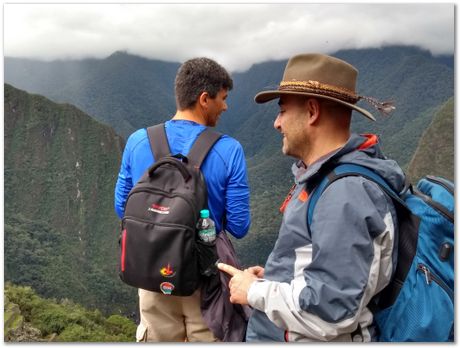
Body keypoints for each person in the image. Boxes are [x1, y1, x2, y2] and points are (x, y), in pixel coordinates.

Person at [218, 53, 405, 342]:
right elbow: (331, 271)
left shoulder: (345, 194)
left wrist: (253, 291)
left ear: (312, 111)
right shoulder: (328, 180)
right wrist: (275, 278)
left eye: (282, 111)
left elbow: (332, 311)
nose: (277, 124)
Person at [114, 57, 251, 342]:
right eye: (223, 99)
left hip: (151, 274)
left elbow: (122, 207)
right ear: (204, 99)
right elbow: (239, 226)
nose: (225, 107)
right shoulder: (229, 150)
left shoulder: (138, 141)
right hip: (207, 281)